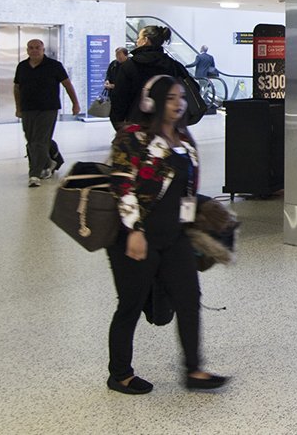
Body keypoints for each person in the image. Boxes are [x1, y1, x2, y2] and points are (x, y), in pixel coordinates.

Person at [104, 74, 228, 394]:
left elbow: (186, 190)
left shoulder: (184, 139)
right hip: (136, 237)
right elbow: (122, 185)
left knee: (189, 299)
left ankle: (194, 370)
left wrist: (195, 223)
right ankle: (119, 374)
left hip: (175, 237)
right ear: (152, 102)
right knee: (130, 304)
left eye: (182, 98)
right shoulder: (132, 137)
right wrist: (134, 230)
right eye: (171, 98)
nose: (179, 104)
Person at [14, 39, 80, 187]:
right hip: (28, 109)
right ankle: (51, 161)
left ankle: (35, 174)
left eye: (38, 48)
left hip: (48, 108)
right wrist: (18, 107)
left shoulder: (54, 66)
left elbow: (67, 85)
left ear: (43, 49)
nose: (34, 50)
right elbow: (17, 88)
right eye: (31, 48)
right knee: (32, 140)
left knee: (39, 140)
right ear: (27, 50)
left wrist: (75, 103)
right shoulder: (22, 66)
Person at [109, 26, 194, 130]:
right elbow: (193, 88)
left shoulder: (130, 65)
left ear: (145, 40)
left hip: (137, 125)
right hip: (168, 127)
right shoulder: (173, 65)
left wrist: (119, 125)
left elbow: (119, 98)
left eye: (139, 37)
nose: (137, 41)